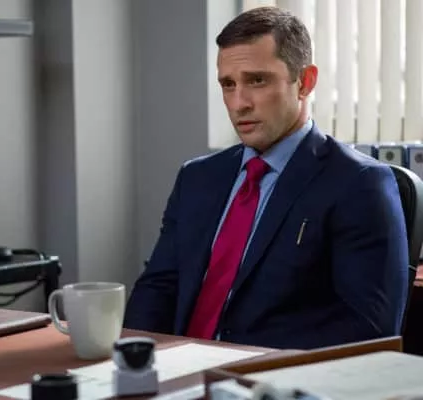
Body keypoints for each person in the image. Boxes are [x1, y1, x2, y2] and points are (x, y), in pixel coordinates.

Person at [123, 6, 409, 349]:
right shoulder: (196, 178)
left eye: (257, 80)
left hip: (267, 372)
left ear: (305, 82)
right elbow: (157, 289)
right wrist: (133, 361)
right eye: (228, 85)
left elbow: (369, 329)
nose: (238, 103)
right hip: (174, 367)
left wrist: (234, 361)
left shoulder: (359, 184)